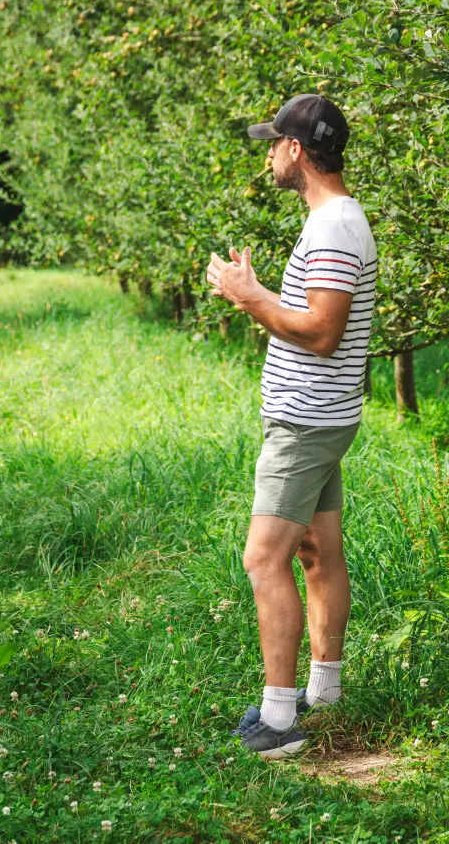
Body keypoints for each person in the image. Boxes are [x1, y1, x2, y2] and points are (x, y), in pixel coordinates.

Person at [206, 95, 377, 760]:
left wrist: (251, 298)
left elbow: (323, 332)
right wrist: (257, 297)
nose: (268, 154)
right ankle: (324, 693)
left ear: (297, 150)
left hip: (306, 423)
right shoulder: (337, 219)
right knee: (315, 551)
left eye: (273, 143)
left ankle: (279, 722)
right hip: (324, 417)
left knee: (264, 558)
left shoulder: (333, 226)